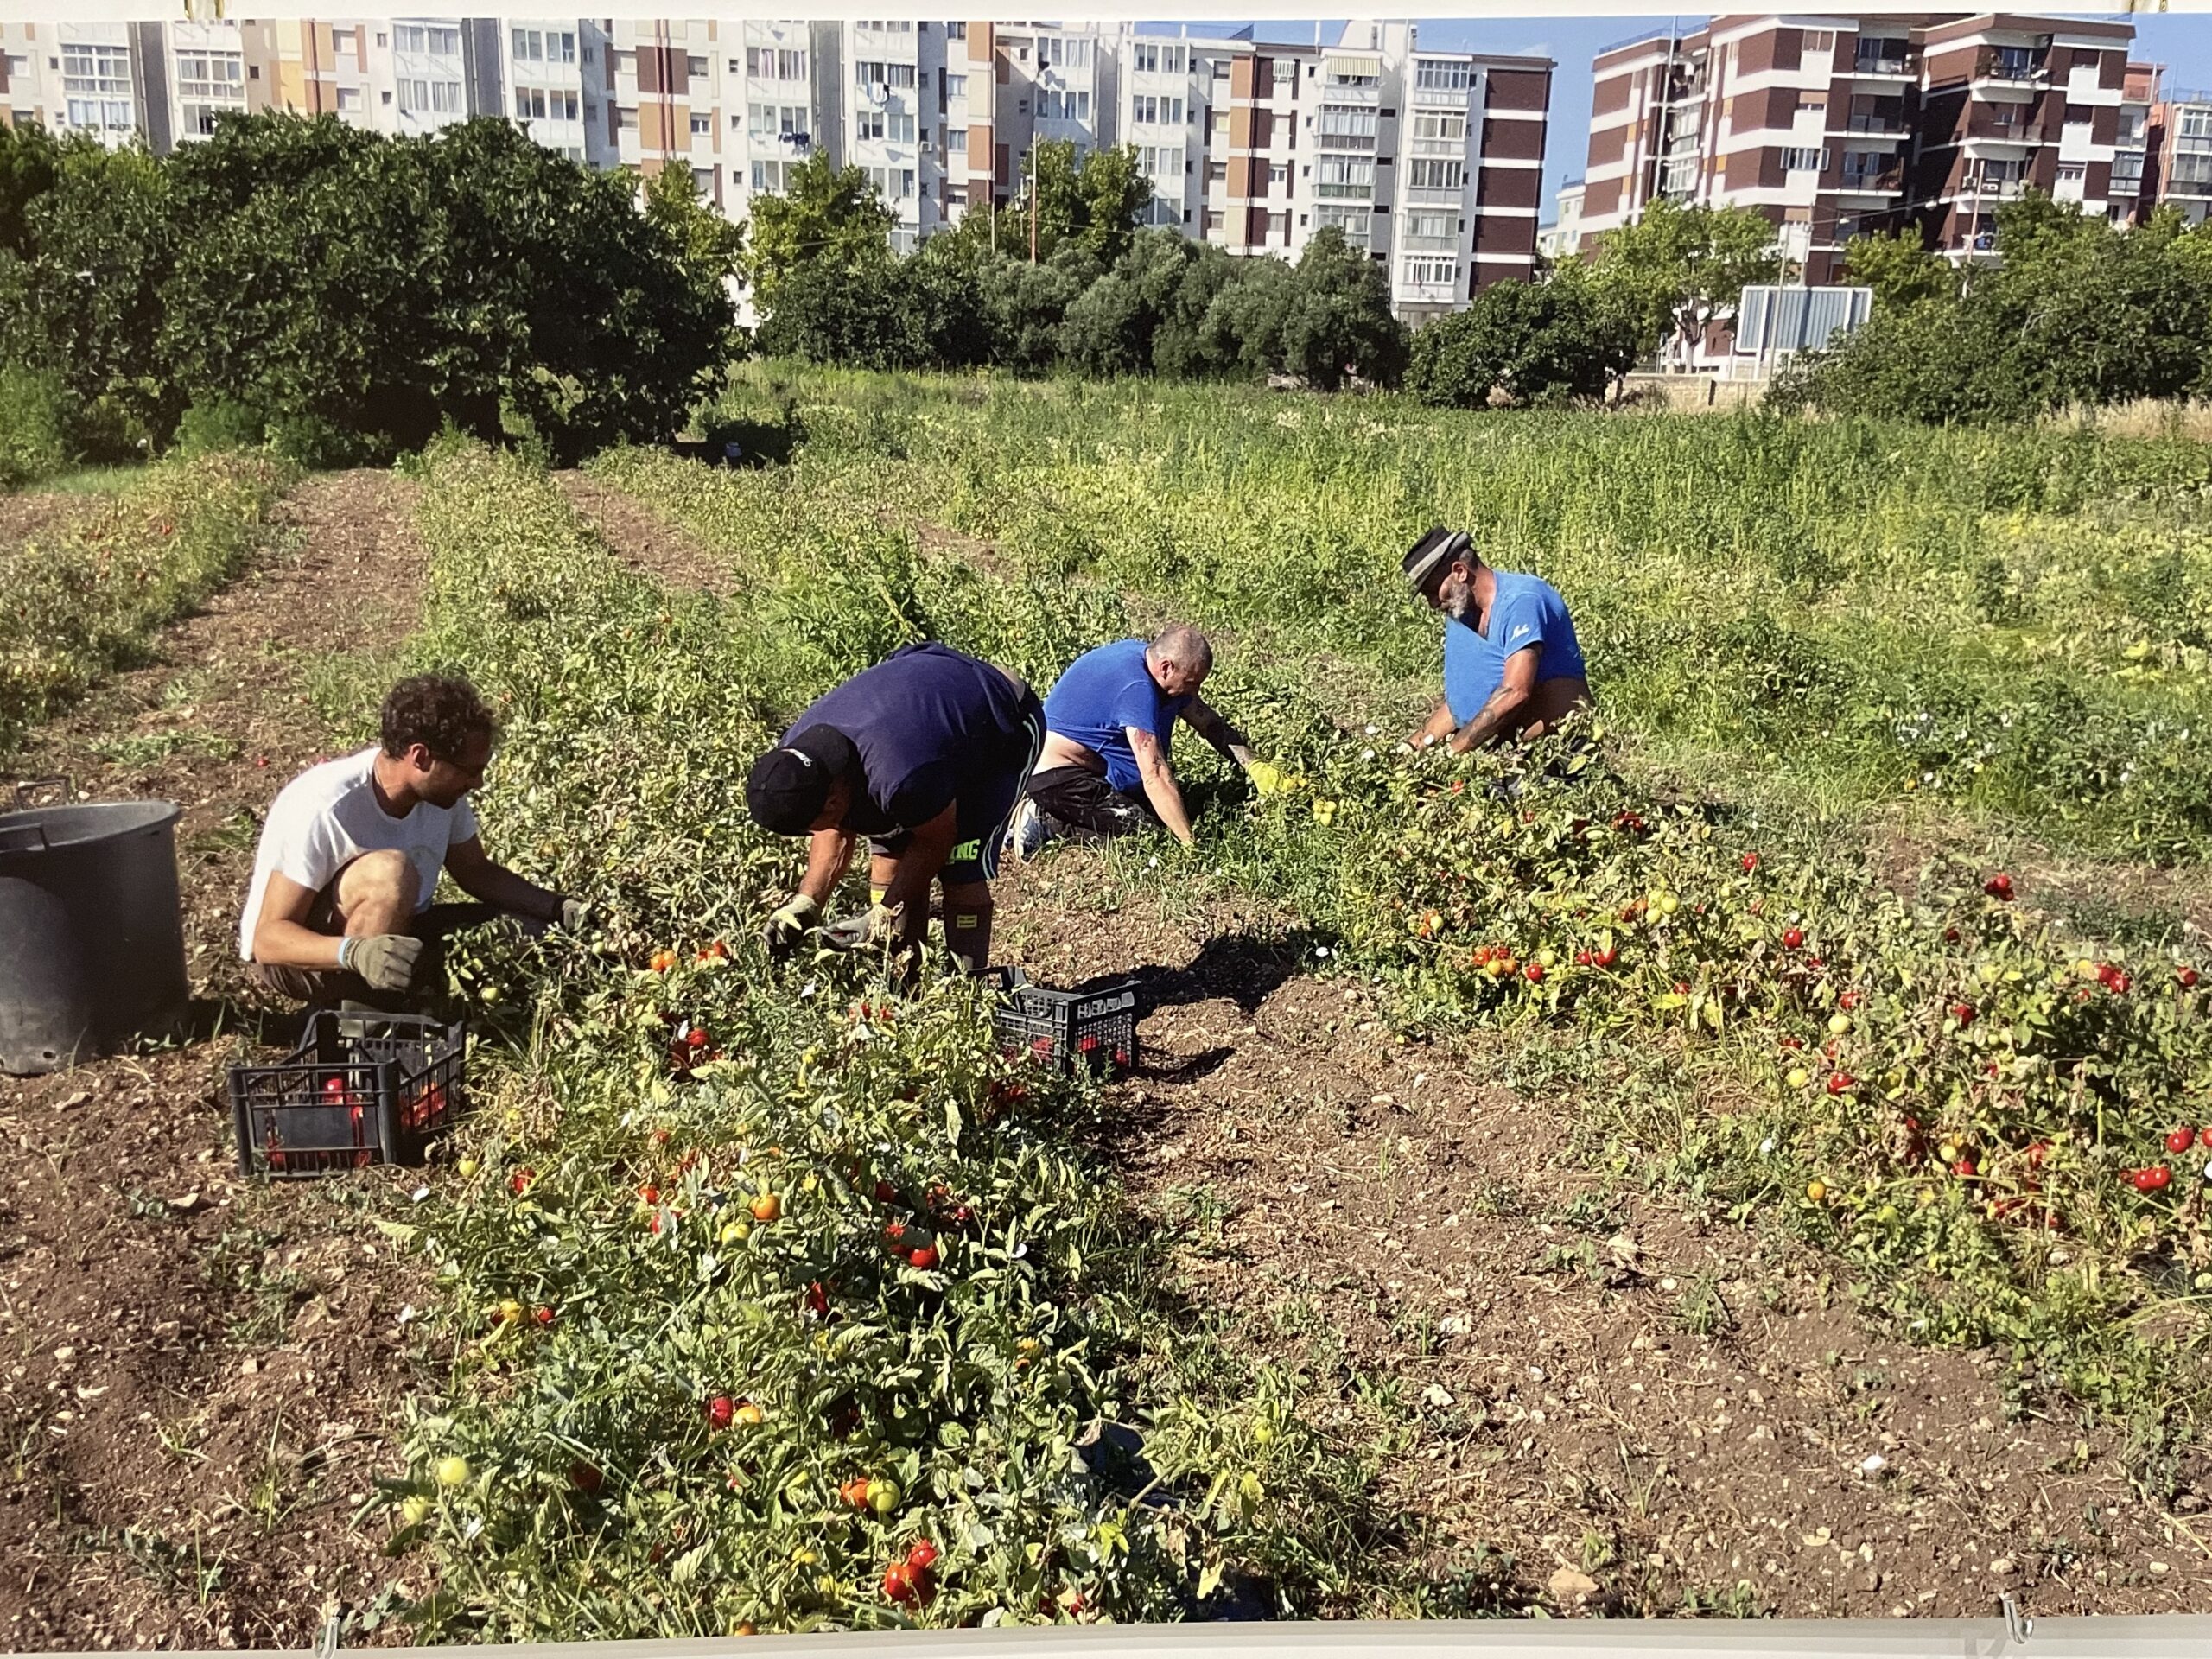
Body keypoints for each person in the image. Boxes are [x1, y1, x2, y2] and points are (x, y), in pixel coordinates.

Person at [240, 675, 586, 1006]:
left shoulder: (443, 797)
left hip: (401, 930)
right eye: (469, 771)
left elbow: (476, 872)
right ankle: (366, 1020)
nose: (477, 783)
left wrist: (558, 908)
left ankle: (402, 998)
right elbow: (267, 940)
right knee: (390, 872)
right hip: (308, 961)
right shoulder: (327, 807)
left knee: (531, 933)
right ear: (421, 757)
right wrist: (356, 953)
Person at [747, 641, 1044, 976]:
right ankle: (907, 988)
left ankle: (967, 990)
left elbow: (935, 841)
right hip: (921, 721)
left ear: (831, 800)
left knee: (960, 863)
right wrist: (807, 904)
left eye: (814, 824)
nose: (818, 831)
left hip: (1000, 721)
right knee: (888, 864)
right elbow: (834, 829)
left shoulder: (900, 777)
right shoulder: (799, 753)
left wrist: (883, 915)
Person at [1010, 626, 1284, 858]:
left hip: (1092, 770)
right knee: (1146, 835)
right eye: (1190, 683)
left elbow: (1209, 724)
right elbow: (1155, 774)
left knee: (1171, 813)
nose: (1194, 692)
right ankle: (1049, 821)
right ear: (1167, 668)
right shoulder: (1136, 689)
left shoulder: (1152, 665)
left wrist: (1257, 766)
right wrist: (1191, 847)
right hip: (1056, 776)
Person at [1402, 527, 1590, 753]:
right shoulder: (1462, 614)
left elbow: (1515, 692)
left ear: (1460, 571)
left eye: (1434, 591)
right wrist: (1414, 747)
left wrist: (1452, 753)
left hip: (1556, 753)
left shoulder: (1522, 601)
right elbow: (1463, 704)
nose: (1433, 603)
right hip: (1499, 752)